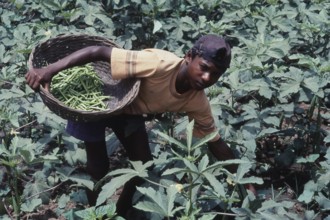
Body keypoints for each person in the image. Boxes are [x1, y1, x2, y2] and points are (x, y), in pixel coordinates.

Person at [25, 34, 248, 218]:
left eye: (215, 75)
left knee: (143, 166)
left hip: (128, 111)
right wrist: (50, 70)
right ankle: (94, 213)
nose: (207, 77)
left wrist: (242, 181)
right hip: (100, 99)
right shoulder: (159, 64)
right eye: (204, 67)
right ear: (189, 57)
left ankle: (122, 209)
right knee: (98, 167)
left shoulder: (197, 100)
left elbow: (214, 142)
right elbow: (97, 52)